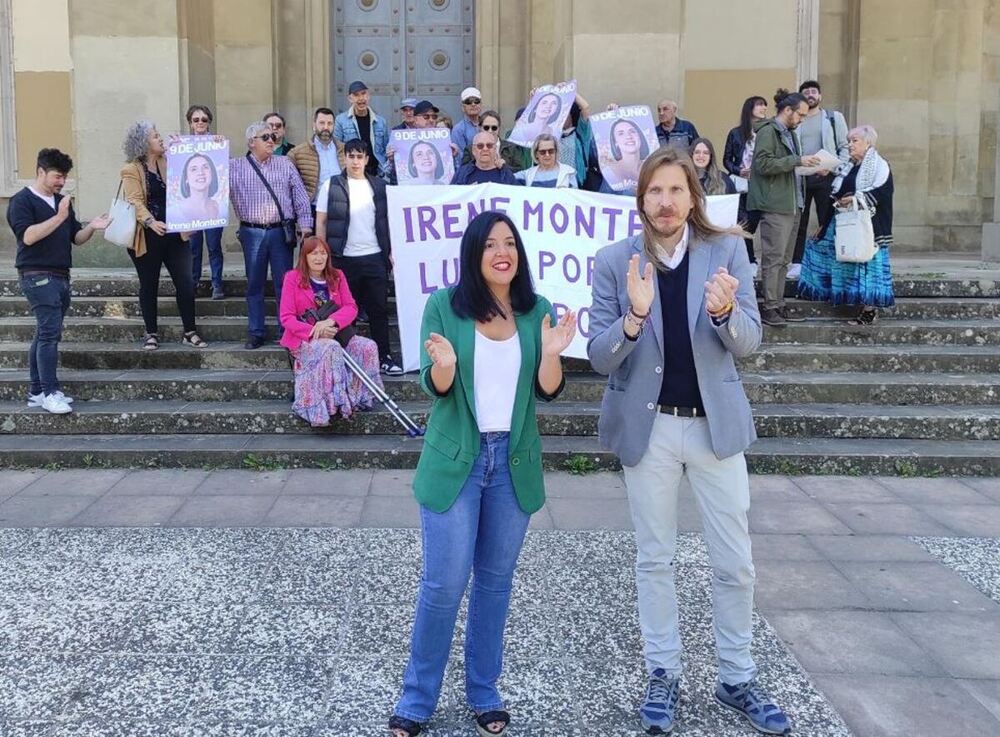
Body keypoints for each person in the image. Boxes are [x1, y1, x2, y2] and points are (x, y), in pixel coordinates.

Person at [587, 147, 791, 737]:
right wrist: (632, 319)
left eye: (677, 190)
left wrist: (727, 314)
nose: (666, 201)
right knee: (656, 559)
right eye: (655, 191)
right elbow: (600, 355)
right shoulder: (613, 262)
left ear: (693, 197)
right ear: (641, 198)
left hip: (713, 428)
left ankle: (736, 675)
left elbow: (749, 343)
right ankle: (663, 673)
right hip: (648, 431)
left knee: (736, 562)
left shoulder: (726, 251)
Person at [388, 210, 576, 737]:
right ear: (474, 253)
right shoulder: (443, 307)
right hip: (458, 464)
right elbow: (435, 385)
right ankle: (417, 698)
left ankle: (484, 691)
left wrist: (553, 354)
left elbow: (546, 388)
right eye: (491, 243)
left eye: (510, 243)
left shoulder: (536, 309)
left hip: (511, 463)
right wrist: (444, 366)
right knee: (444, 585)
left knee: (494, 585)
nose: (502, 251)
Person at [7, 148, 110, 415]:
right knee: (49, 334)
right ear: (40, 171)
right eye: (57, 176)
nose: (61, 182)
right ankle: (50, 392)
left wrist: (93, 227)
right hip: (36, 275)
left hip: (61, 275)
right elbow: (28, 237)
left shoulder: (62, 202)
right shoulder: (22, 201)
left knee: (44, 332)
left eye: (64, 177)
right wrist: (59, 216)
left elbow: (76, 238)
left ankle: (37, 391)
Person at [314, 139, 402, 375]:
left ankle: (384, 356)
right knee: (344, 312)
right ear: (344, 158)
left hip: (374, 257)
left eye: (359, 156)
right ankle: (347, 359)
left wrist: (392, 250)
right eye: (351, 156)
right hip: (343, 259)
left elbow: (389, 221)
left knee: (378, 310)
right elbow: (321, 220)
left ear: (366, 159)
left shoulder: (380, 186)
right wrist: (323, 254)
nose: (355, 161)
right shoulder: (331, 185)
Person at [121, 120, 208, 351]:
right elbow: (134, 201)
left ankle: (189, 331)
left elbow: (191, 169)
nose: (160, 138)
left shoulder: (167, 161)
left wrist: (183, 147)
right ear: (143, 143)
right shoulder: (131, 169)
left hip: (174, 234)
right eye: (155, 136)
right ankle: (151, 333)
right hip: (147, 235)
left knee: (186, 283)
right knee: (149, 284)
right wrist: (150, 221)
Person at [279, 236, 383, 425]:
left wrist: (331, 322)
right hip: (304, 338)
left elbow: (351, 307)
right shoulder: (292, 278)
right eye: (313, 253)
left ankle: (360, 398)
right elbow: (286, 317)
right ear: (305, 256)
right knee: (330, 347)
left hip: (336, 333)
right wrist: (315, 330)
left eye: (323, 253)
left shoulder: (337, 276)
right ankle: (332, 404)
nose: (319, 258)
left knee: (367, 346)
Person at [798, 124, 895, 324]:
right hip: (842, 220)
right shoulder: (848, 166)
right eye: (849, 141)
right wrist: (823, 225)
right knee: (820, 247)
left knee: (867, 263)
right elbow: (835, 194)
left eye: (855, 141)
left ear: (868, 143)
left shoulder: (880, 165)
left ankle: (869, 309)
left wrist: (854, 199)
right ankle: (836, 295)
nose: (850, 145)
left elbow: (883, 192)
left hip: (867, 224)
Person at [229, 121, 314, 349]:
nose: (271, 141)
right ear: (251, 142)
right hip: (252, 231)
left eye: (273, 137)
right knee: (254, 284)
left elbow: (299, 195)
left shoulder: (285, 163)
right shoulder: (235, 167)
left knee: (284, 284)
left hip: (279, 232)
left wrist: (305, 225)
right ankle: (256, 331)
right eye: (265, 137)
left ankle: (286, 329)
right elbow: (205, 171)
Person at [747, 89, 822, 327]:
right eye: (800, 115)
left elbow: (787, 166)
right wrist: (797, 161)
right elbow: (762, 163)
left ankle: (778, 304)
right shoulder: (769, 131)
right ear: (787, 111)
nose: (801, 119)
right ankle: (769, 306)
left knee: (784, 260)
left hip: (793, 203)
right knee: (773, 258)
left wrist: (808, 166)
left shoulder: (790, 133)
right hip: (776, 205)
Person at [790, 80, 850, 279]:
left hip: (827, 177)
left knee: (827, 219)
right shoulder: (796, 120)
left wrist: (833, 167)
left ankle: (830, 260)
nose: (810, 94)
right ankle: (797, 262)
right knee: (800, 220)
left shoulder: (833, 118)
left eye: (814, 91)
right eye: (806, 91)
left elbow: (844, 146)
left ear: (820, 96)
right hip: (802, 178)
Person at [185, 105, 226, 300]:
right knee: (193, 248)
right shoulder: (181, 146)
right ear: (190, 123)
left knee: (213, 246)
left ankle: (217, 283)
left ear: (209, 122)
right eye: (196, 120)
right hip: (191, 207)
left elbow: (225, 168)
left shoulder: (217, 143)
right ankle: (193, 282)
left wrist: (221, 144)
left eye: (203, 119)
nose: (200, 123)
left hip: (212, 204)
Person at [723, 96, 768, 270]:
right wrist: (738, 170)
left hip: (759, 185)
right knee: (743, 222)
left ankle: (749, 258)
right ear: (750, 108)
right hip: (740, 184)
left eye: (765, 105)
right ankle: (750, 260)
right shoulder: (736, 133)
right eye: (759, 105)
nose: (763, 108)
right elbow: (726, 159)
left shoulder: (766, 131)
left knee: (754, 220)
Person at [288, 107, 346, 203]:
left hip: (341, 206)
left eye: (330, 123)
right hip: (313, 208)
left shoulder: (344, 150)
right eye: (322, 123)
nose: (326, 127)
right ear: (314, 125)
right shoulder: (298, 153)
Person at [334, 80, 389, 177]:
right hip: (353, 173)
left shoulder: (381, 122)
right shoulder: (340, 120)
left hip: (377, 173)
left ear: (368, 96)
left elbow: (386, 149)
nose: (361, 98)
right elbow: (337, 150)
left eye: (363, 94)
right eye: (356, 95)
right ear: (350, 99)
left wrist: (386, 169)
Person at [600, 118, 651, 193]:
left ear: (640, 137)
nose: (629, 136)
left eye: (632, 131)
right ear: (615, 143)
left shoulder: (652, 168)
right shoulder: (610, 172)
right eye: (621, 133)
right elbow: (603, 200)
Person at [451, 132, 520, 185]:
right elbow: (450, 196)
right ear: (473, 150)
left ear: (495, 149)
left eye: (489, 145)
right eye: (480, 146)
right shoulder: (462, 173)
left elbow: (517, 197)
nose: (485, 149)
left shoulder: (506, 174)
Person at [176, 153, 221, 222]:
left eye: (205, 167)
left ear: (212, 174)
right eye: (194, 169)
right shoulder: (174, 211)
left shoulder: (221, 208)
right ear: (186, 178)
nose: (200, 172)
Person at [451, 86, 483, 154]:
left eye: (476, 101)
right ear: (463, 107)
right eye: (468, 102)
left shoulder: (488, 124)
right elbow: (461, 157)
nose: (473, 104)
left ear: (480, 105)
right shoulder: (458, 129)